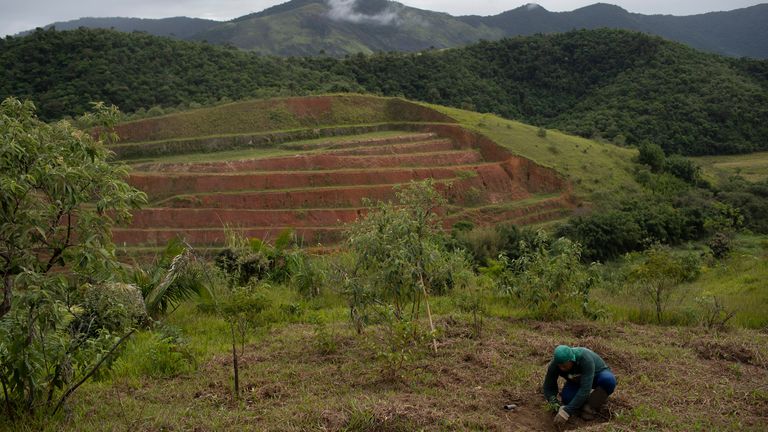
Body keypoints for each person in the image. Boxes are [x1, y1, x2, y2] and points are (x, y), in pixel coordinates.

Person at [542, 345, 617, 425]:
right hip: (576, 380)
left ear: (572, 360)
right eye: (559, 366)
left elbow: (585, 388)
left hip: (597, 375)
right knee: (567, 399)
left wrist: (567, 412)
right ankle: (583, 401)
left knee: (608, 380)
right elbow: (548, 387)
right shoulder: (555, 364)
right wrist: (554, 403)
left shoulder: (585, 359)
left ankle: (591, 405)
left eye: (564, 366)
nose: (562, 369)